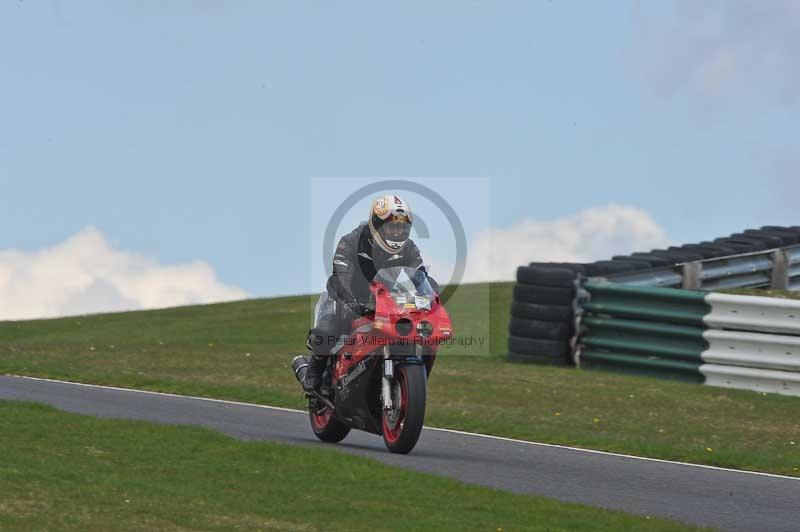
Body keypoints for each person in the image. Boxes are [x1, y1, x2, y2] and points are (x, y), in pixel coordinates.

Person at [303, 194, 435, 391]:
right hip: (345, 298)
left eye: (401, 228)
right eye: (391, 227)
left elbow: (420, 275)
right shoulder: (351, 241)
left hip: (385, 301)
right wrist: (353, 302)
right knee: (327, 332)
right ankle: (314, 369)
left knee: (421, 335)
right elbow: (340, 277)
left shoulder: (408, 248)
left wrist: (430, 296)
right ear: (376, 224)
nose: (396, 233)